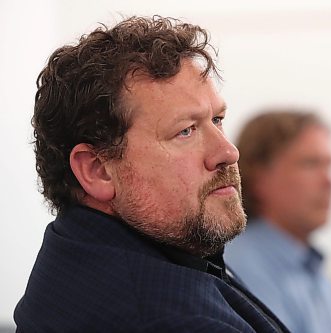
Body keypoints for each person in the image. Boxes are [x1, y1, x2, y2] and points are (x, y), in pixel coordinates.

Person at [14, 16, 290, 333]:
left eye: (216, 120)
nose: (228, 152)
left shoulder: (81, 246)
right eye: (185, 131)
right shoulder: (170, 320)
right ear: (97, 170)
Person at [225, 110, 331, 333]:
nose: (329, 181)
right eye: (310, 164)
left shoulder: (313, 269)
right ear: (258, 177)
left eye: (330, 165)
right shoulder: (241, 269)